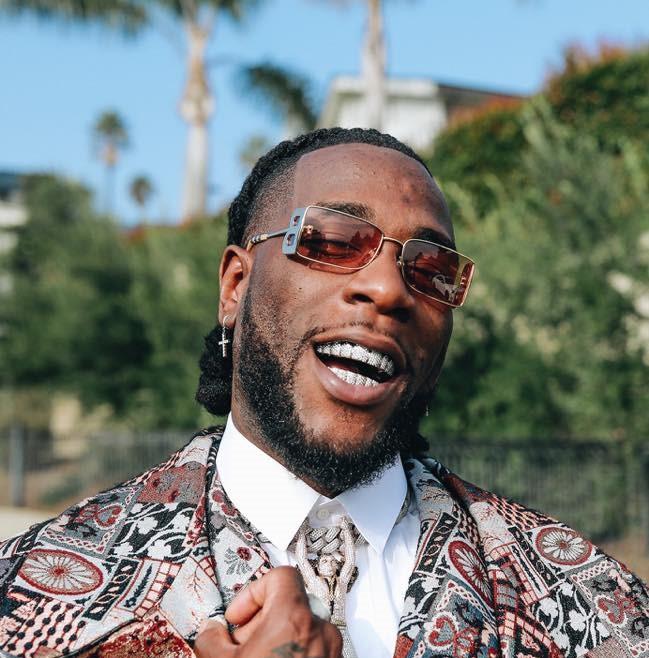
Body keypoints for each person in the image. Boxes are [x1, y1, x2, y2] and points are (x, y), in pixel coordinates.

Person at [0, 128, 647, 658]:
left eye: (430, 269)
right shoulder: (31, 598)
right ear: (234, 286)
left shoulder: (594, 608)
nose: (388, 289)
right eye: (334, 241)